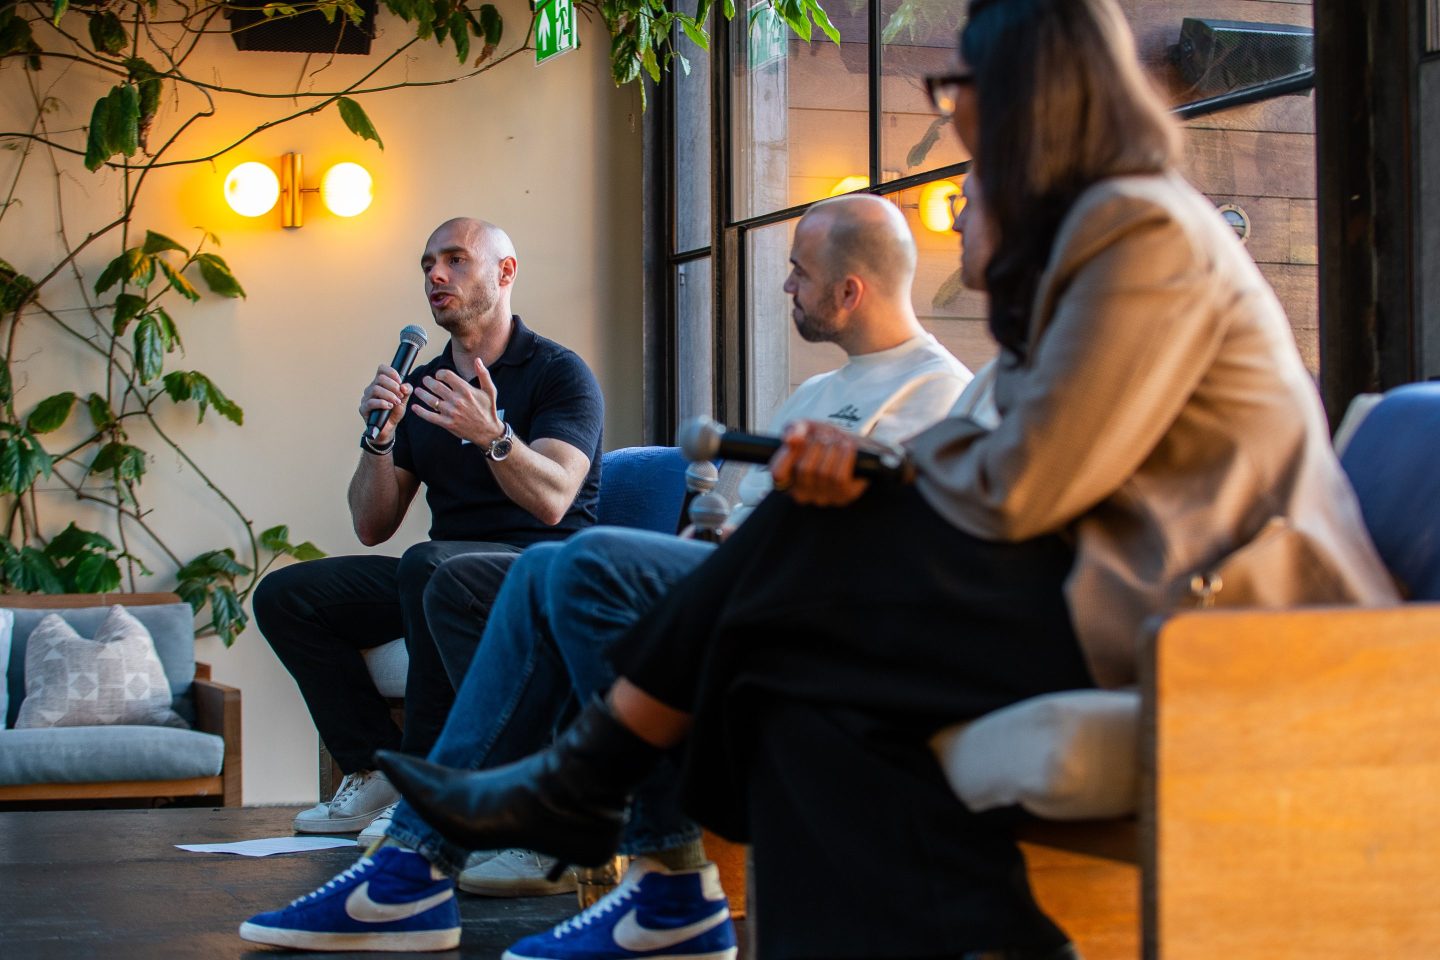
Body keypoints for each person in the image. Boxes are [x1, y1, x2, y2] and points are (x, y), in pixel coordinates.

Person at [371, 0, 1400, 956]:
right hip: (1098, 589)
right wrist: (878, 466)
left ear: (1031, 98)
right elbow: (1017, 454)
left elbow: (1025, 482)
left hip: (1220, 625)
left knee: (808, 549)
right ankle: (977, 922)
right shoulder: (1099, 236)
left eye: (966, 99)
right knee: (794, 687)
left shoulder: (1139, 230)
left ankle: (591, 775)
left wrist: (878, 469)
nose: (961, 130)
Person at [238, 193, 974, 954]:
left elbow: (893, 552)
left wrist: (495, 439)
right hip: (728, 581)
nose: (785, 286)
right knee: (508, 575)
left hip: (791, 603)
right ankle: (453, 860)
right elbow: (743, 523)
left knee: (566, 562)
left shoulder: (935, 390)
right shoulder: (818, 393)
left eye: (797, 272)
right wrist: (380, 441)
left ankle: (471, 850)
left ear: (848, 290)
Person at [252, 217, 604, 841]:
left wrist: (492, 436)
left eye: (455, 260)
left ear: (505, 272)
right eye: (426, 265)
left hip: (535, 570)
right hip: (439, 572)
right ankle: (375, 768)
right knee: (287, 596)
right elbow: (371, 525)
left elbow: (553, 499)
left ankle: (428, 783)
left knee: (428, 563)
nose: (435, 275)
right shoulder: (423, 384)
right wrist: (381, 441)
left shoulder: (558, 373)